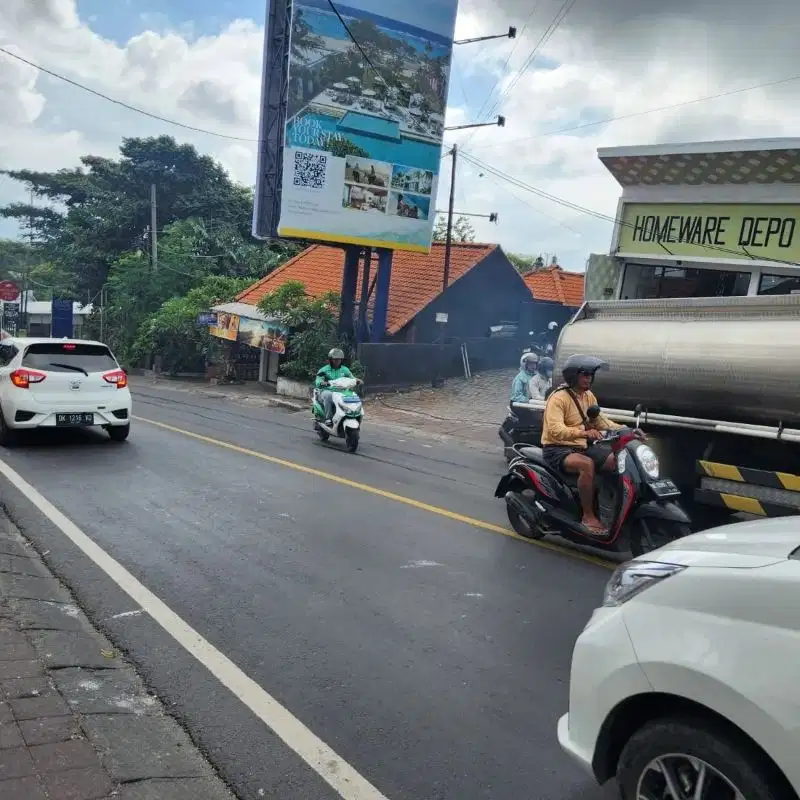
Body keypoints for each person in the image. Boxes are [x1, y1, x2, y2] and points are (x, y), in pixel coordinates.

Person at [541, 354, 624, 534]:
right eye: (584, 374)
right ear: (573, 376)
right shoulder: (558, 398)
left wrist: (627, 430)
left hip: (581, 447)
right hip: (556, 449)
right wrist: (584, 432)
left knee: (615, 460)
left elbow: (600, 421)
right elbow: (555, 430)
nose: (589, 378)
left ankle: (610, 505)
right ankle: (588, 515)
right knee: (586, 465)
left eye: (590, 374)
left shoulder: (588, 396)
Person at [316, 348, 355, 424]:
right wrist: (323, 383)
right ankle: (328, 418)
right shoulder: (323, 370)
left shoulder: (345, 370)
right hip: (327, 391)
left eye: (339, 359)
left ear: (341, 360)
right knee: (328, 395)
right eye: (335, 359)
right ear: (331, 360)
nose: (337, 361)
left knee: (353, 396)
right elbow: (318, 381)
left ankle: (351, 416)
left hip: (341, 391)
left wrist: (357, 381)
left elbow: (352, 378)